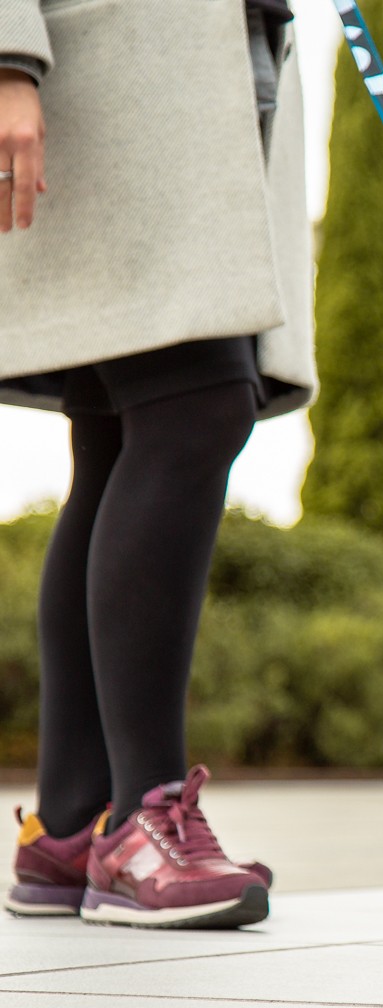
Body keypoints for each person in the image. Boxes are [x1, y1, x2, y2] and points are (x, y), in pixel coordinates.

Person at [0, 0, 316, 928]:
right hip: (109, 74)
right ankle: (144, 819)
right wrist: (8, 56)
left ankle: (70, 826)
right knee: (194, 409)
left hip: (208, 74)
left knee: (115, 440)